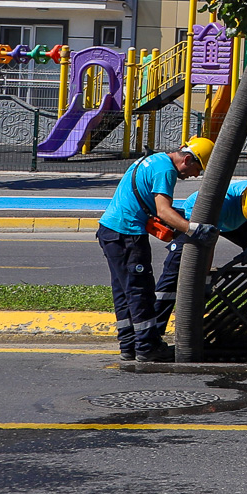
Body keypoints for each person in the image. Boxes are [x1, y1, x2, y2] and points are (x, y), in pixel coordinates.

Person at [97, 138, 214, 362]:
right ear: (187, 159)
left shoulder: (152, 160)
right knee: (140, 291)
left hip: (110, 231)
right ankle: (147, 348)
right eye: (197, 169)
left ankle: (129, 345)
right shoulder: (167, 171)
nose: (195, 175)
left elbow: (148, 202)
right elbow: (163, 211)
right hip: (127, 235)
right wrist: (193, 230)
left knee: (124, 292)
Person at [153, 180, 247, 329]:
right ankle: (156, 325)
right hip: (199, 219)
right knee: (174, 269)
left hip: (233, 220)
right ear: (243, 199)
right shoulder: (221, 203)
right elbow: (208, 244)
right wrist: (205, 280)